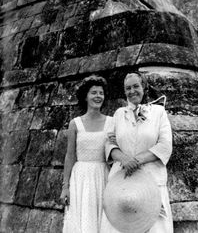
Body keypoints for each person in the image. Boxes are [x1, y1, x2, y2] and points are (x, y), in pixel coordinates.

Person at [101, 72, 173, 233]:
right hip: (122, 182)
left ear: (144, 87)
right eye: (128, 88)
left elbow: (165, 145)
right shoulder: (119, 114)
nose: (132, 91)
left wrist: (137, 160)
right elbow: (109, 142)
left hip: (151, 181)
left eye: (136, 86)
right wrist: (123, 159)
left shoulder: (158, 113)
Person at [60, 75, 112, 233]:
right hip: (80, 179)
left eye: (101, 93)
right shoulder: (75, 124)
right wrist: (65, 187)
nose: (98, 96)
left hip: (103, 176)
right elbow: (70, 156)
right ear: (85, 96)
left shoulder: (112, 122)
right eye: (93, 92)